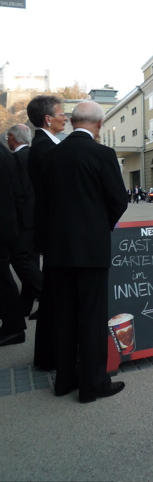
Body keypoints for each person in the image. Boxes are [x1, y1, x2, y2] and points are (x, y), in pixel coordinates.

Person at [38, 100, 128, 403]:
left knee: (65, 315)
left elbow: (43, 206)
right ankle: (93, 384)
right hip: (91, 250)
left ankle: (65, 380)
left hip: (58, 250)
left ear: (73, 121)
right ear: (99, 124)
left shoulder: (51, 155)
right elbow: (119, 200)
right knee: (91, 315)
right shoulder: (102, 154)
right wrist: (102, 227)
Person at [26, 94, 67, 370]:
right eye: (61, 113)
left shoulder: (49, 145)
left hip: (54, 232)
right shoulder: (44, 148)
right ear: (48, 119)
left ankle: (50, 355)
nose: (66, 117)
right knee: (55, 296)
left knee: (53, 296)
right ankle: (50, 356)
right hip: (56, 233)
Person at [6, 124, 43, 319]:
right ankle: (25, 306)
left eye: (7, 137)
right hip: (38, 218)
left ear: (13, 137)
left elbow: (18, 192)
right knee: (31, 261)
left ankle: (48, 296)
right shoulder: (34, 156)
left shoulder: (16, 159)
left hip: (24, 220)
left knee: (20, 259)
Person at [0, 143, 27, 347]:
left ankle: (13, 326)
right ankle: (13, 325)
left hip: (3, 223)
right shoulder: (6, 152)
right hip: (7, 222)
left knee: (2, 278)